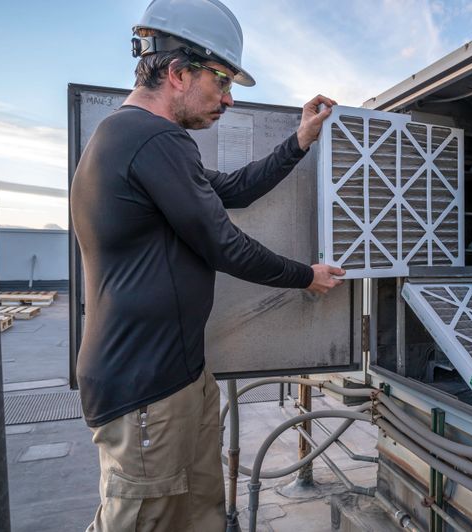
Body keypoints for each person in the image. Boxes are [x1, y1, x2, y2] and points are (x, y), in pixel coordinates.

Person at [70, 0, 345, 530]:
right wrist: (304, 276)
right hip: (144, 386)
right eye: (220, 80)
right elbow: (224, 244)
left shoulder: (149, 143)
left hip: (178, 376)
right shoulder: (148, 138)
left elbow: (235, 190)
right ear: (177, 73)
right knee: (143, 518)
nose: (229, 98)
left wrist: (301, 140)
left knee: (197, 516)